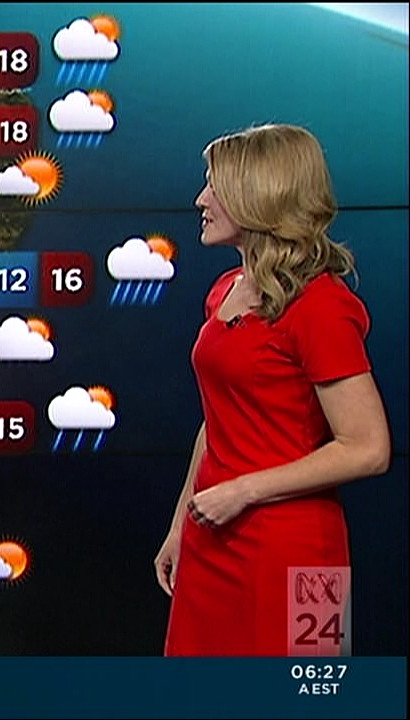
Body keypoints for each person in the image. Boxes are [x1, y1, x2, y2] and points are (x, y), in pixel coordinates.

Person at [154, 123, 391, 656]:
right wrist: (181, 525)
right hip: (213, 539)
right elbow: (219, 420)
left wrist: (243, 491)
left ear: (258, 195)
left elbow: (368, 448)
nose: (200, 200)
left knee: (305, 694)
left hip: (298, 552)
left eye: (215, 187)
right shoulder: (226, 291)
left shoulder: (322, 307)